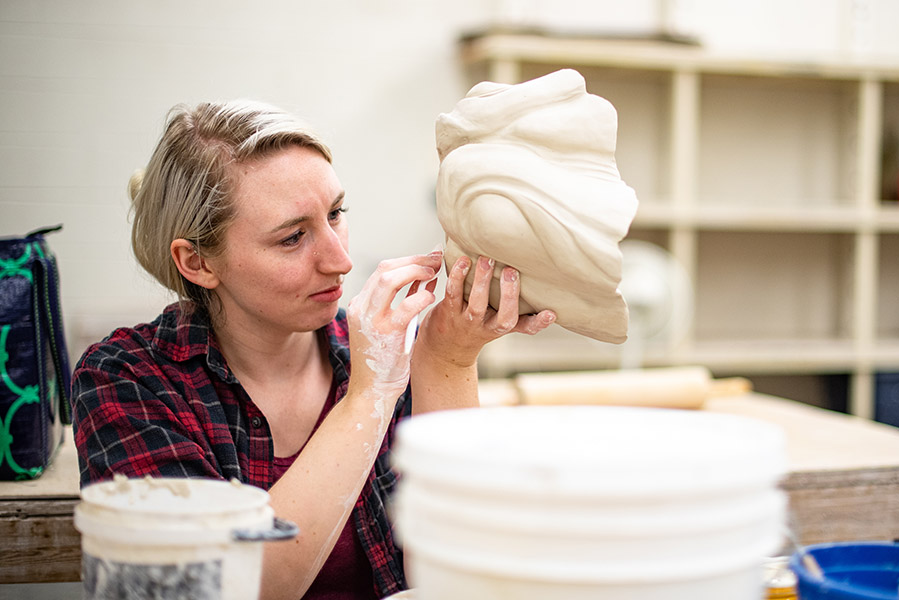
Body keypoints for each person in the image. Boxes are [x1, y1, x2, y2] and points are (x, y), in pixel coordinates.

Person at [70, 99, 556, 600]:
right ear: (197, 261)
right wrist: (369, 396)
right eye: (293, 237)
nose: (341, 260)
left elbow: (457, 570)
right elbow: (219, 587)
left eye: (336, 214)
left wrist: (447, 359)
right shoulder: (125, 380)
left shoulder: (378, 355)